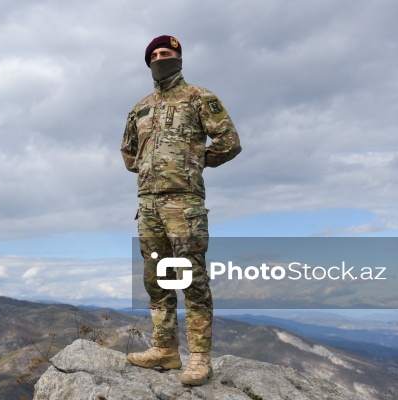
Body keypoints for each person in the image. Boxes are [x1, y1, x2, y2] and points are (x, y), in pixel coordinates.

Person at [121, 35, 241, 386]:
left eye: (167, 53)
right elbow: (128, 152)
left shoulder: (199, 97)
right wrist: (146, 166)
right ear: (149, 62)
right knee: (156, 280)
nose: (161, 57)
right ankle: (165, 350)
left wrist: (195, 160)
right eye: (155, 54)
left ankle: (200, 358)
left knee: (192, 281)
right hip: (148, 204)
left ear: (179, 57)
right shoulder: (139, 108)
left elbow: (229, 142)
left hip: (185, 203)